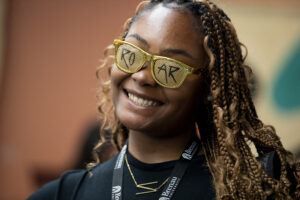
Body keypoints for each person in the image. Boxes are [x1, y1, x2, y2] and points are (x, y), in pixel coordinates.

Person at [28, 0, 300, 199]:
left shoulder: (250, 191)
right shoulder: (62, 194)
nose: (143, 76)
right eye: (132, 54)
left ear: (207, 89)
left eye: (170, 68)